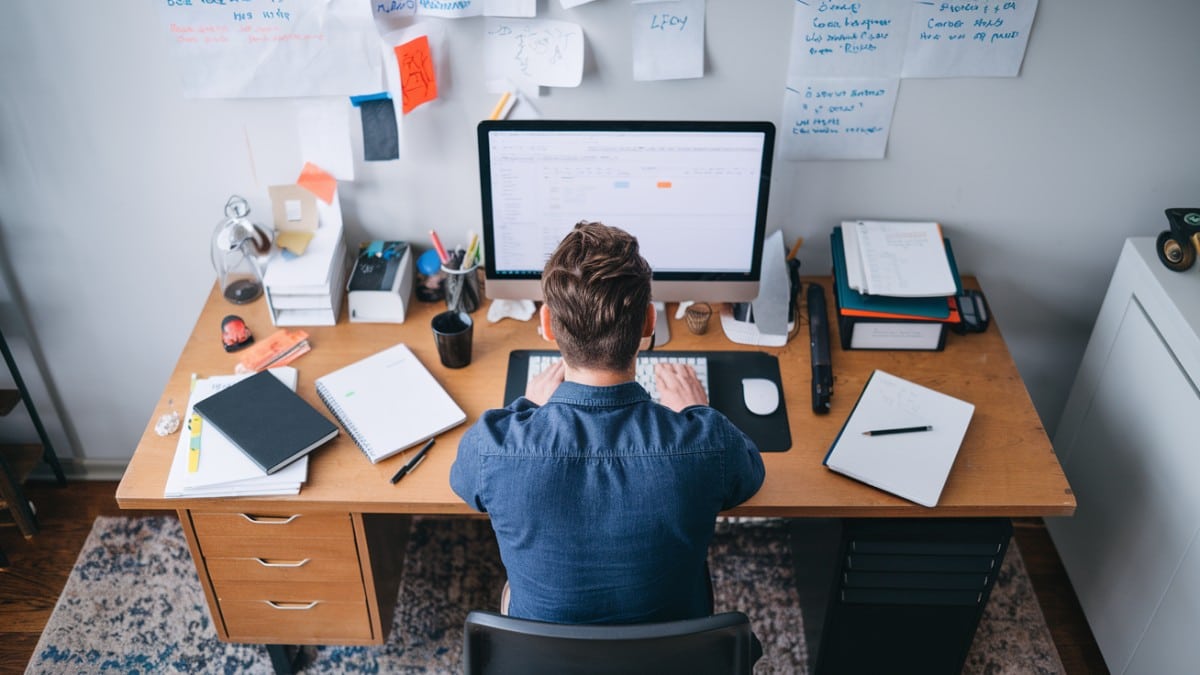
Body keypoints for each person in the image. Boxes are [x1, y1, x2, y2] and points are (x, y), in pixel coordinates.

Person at [450, 221, 765, 625]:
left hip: (543, 661)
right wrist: (697, 413)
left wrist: (526, 407)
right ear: (649, 324)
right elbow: (751, 475)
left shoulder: (495, 447)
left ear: (546, 325)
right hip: (668, 656)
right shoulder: (706, 444)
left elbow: (462, 481)